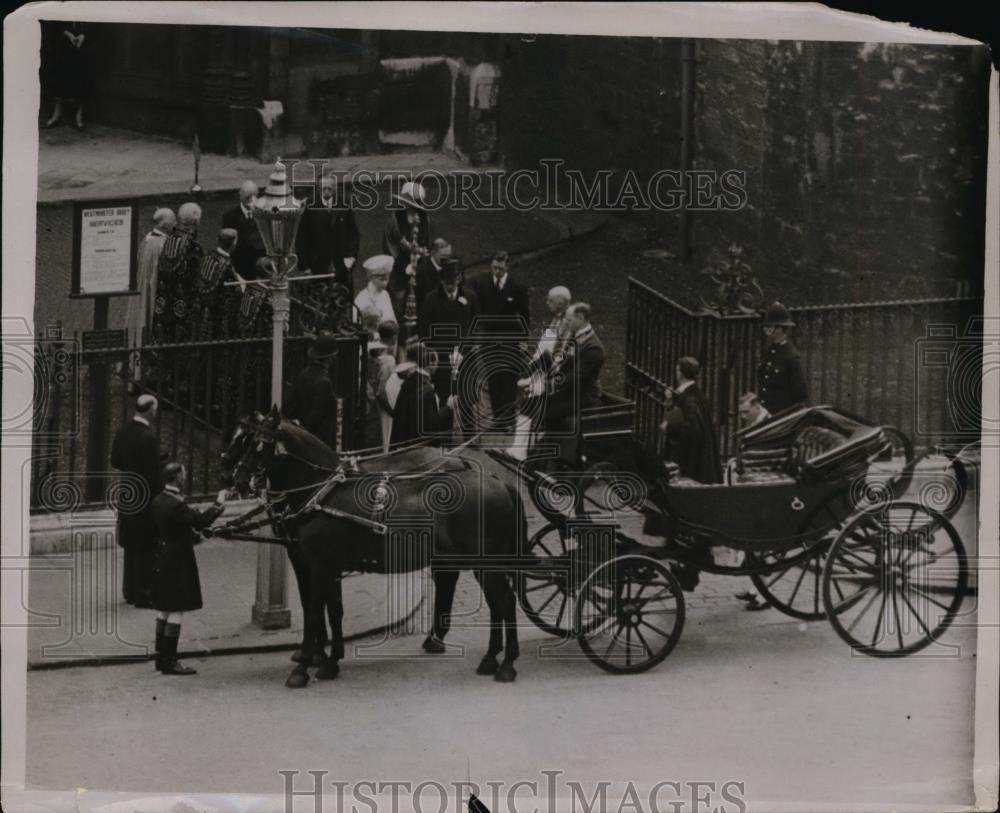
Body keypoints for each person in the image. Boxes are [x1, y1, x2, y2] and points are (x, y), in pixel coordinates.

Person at [150, 462, 228, 675]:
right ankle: (171, 661)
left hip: (162, 558)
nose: (186, 477)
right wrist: (219, 504)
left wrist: (193, 538)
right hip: (177, 561)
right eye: (183, 474)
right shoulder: (176, 504)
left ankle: (161, 658)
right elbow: (201, 521)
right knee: (176, 610)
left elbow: (174, 528)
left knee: (163, 610)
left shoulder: (158, 500)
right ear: (177, 477)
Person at [531, 302, 606, 465]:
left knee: (548, 409)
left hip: (584, 398)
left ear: (580, 318)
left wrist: (550, 385)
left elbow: (576, 377)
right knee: (541, 402)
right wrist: (549, 377)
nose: (567, 322)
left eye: (569, 319)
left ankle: (560, 456)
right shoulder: (577, 337)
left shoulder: (594, 348)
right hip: (572, 392)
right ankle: (548, 450)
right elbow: (566, 365)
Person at [109, 395, 163, 608]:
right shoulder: (148, 437)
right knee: (146, 546)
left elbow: (115, 460)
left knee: (131, 544)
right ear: (149, 410)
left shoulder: (123, 431)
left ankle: (129, 591)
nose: (156, 413)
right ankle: (143, 594)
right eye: (155, 410)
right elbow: (154, 475)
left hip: (127, 495)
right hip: (146, 498)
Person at [471, 250, 531, 430]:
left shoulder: (517, 287)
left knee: (508, 379)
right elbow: (478, 313)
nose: (496, 271)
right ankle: (498, 419)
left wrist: (523, 339)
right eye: (494, 267)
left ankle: (508, 419)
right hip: (489, 340)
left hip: (510, 340)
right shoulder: (482, 285)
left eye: (500, 268)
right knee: (493, 379)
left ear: (507, 266)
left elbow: (525, 315)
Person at [417, 257, 480, 407]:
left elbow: (476, 326)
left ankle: (467, 430)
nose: (449, 287)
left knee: (466, 401)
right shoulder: (430, 300)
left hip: (464, 359)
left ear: (458, 280)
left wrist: (468, 349)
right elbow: (424, 330)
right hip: (441, 361)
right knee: (443, 401)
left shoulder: (470, 297)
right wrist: (435, 353)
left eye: (452, 283)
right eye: (446, 283)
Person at [660, 357, 722, 484]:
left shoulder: (690, 399)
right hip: (695, 455)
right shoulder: (694, 394)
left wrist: (668, 427)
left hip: (689, 458)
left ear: (680, 373)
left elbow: (692, 428)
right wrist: (670, 401)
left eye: (677, 370)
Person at [296, 174, 360, 295]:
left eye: (329, 188)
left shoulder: (344, 203)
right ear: (318, 188)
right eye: (323, 188)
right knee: (319, 296)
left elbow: (354, 234)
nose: (326, 191)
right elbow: (302, 238)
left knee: (343, 296)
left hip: (341, 263)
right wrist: (304, 266)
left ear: (335, 188)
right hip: (317, 264)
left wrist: (352, 257)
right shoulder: (310, 205)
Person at [125, 208, 176, 353]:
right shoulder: (161, 244)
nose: (175, 224)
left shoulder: (147, 239)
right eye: (173, 220)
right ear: (165, 224)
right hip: (153, 291)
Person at [153, 202, 203, 344]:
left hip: (164, 306)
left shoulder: (168, 240)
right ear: (195, 222)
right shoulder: (194, 248)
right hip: (184, 308)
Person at [384, 181, 432, 324]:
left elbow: (427, 244)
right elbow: (389, 246)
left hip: (419, 269)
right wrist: (404, 266)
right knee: (399, 307)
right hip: (398, 271)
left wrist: (419, 260)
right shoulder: (393, 221)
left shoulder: (425, 220)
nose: (404, 204)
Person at [390, 342, 455, 447]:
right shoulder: (426, 388)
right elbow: (430, 423)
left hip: (404, 443)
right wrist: (448, 407)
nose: (437, 366)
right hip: (418, 449)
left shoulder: (411, 380)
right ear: (430, 364)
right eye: (436, 363)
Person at [284, 334, 339, 449]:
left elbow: (292, 405)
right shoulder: (324, 382)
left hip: (299, 435)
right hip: (316, 441)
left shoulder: (304, 374)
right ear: (330, 358)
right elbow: (316, 417)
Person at [757, 302, 808, 415]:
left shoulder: (790, 355)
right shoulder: (768, 350)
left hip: (783, 414)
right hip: (766, 413)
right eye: (765, 327)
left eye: (769, 327)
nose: (766, 330)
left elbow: (800, 392)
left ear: (779, 328)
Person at [41, 21, 93, 130]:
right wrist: (68, 34)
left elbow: (95, 25)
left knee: (81, 79)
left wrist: (83, 35)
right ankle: (56, 115)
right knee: (61, 79)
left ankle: (79, 117)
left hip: (82, 47)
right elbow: (53, 24)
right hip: (63, 46)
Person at [193, 228, 238, 341]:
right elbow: (235, 290)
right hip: (218, 312)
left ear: (217, 240)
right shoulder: (227, 265)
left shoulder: (207, 256)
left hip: (201, 308)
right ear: (234, 244)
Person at [221, 181, 267, 282]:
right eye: (247, 197)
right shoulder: (230, 216)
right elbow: (226, 242)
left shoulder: (263, 214)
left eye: (253, 196)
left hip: (260, 265)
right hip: (240, 264)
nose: (250, 200)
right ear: (240, 196)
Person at [374, 321, 400, 451]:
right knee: (386, 436)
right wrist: (393, 411)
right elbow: (381, 392)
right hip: (386, 407)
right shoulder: (387, 362)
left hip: (381, 405)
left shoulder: (376, 352)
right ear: (394, 337)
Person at [354, 255, 398, 332]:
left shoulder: (385, 294)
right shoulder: (361, 298)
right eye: (382, 279)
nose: (385, 283)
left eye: (388, 279)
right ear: (371, 278)